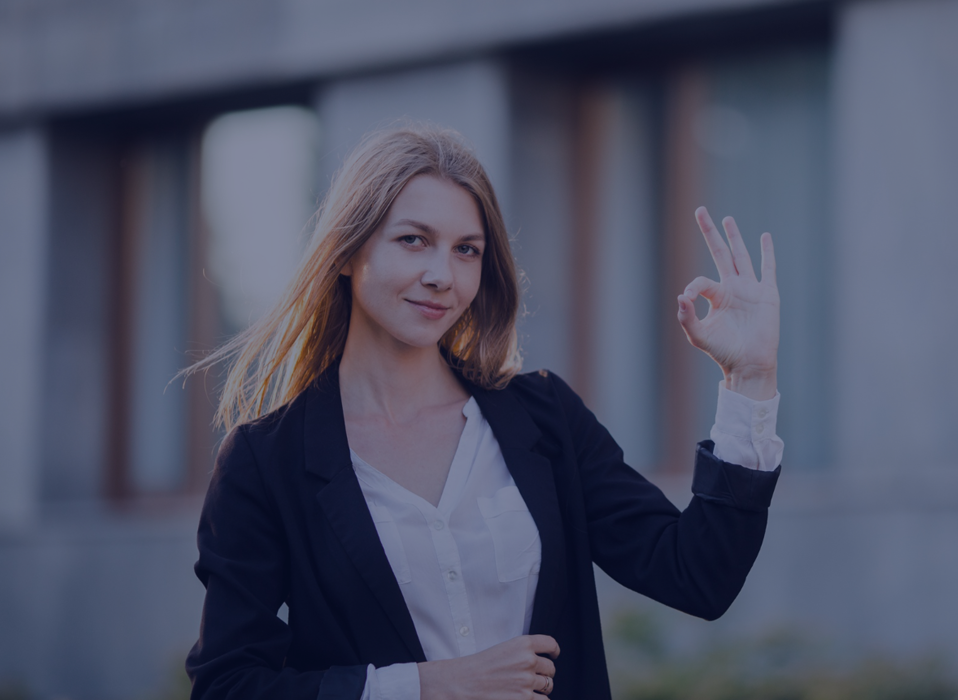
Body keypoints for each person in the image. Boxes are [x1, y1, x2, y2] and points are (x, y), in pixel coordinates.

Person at [185, 124, 783, 700]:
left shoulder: (545, 418)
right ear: (346, 251)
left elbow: (698, 576)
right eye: (413, 240)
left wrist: (750, 379)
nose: (441, 276)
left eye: (466, 250)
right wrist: (427, 688)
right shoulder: (265, 461)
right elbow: (228, 685)